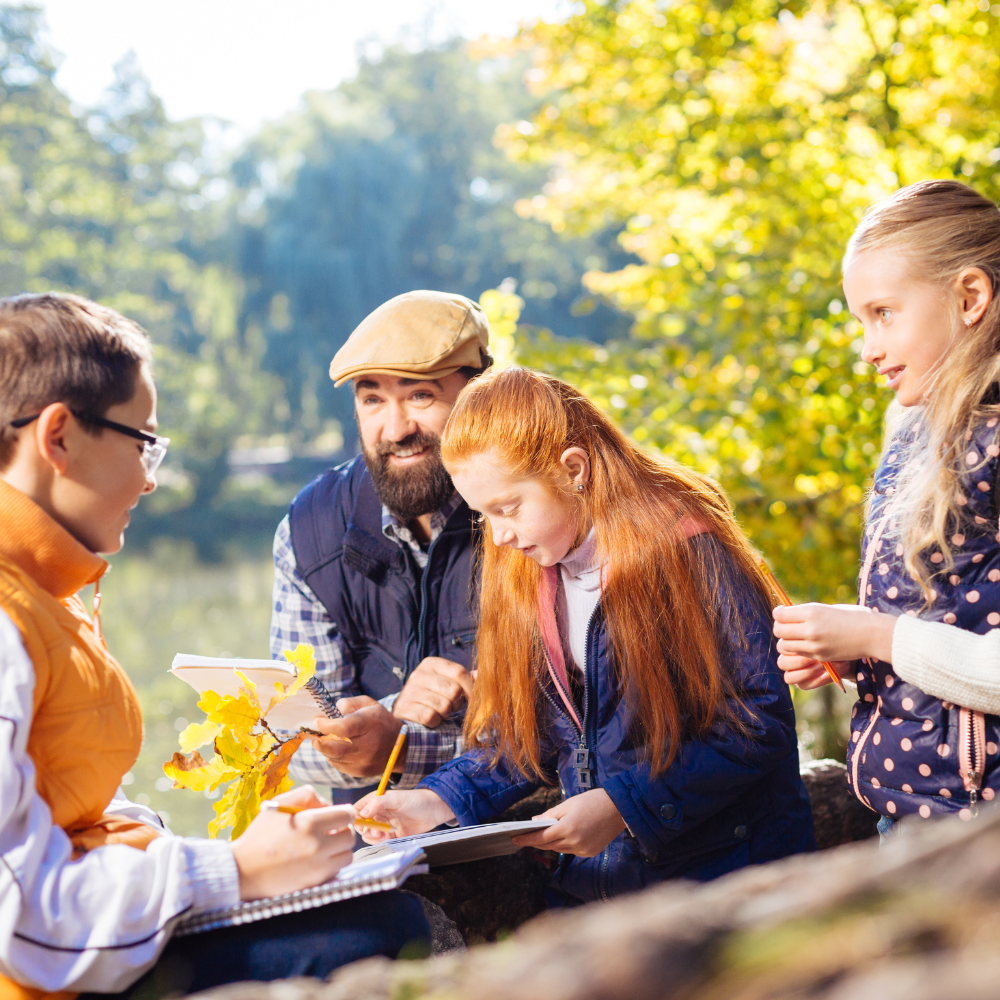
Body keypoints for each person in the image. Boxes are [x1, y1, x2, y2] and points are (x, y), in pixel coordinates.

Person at [0, 293, 428, 1000]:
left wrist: (199, 853)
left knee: (377, 916)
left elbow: (62, 816)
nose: (151, 476)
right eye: (143, 441)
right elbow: (18, 914)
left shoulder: (50, 591)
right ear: (58, 438)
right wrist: (233, 872)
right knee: (367, 938)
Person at [355, 367, 815, 902]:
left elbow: (758, 722)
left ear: (573, 469)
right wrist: (438, 799)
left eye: (508, 508)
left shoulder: (688, 553)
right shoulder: (534, 568)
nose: (499, 536)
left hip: (727, 884)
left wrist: (623, 806)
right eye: (484, 516)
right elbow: (533, 731)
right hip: (602, 885)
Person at [771, 180, 1000, 834]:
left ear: (970, 297)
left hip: (975, 832)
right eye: (859, 321)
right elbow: (948, 616)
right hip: (906, 816)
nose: (868, 347)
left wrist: (880, 635)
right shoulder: (910, 430)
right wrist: (856, 651)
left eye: (884, 313)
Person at [272, 291, 491, 802]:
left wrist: (401, 746)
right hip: (376, 851)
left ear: (480, 393)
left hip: (530, 839)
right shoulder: (309, 531)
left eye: (420, 396)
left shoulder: (529, 512)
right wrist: (390, 716)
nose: (395, 429)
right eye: (372, 399)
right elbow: (290, 737)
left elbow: (572, 736)